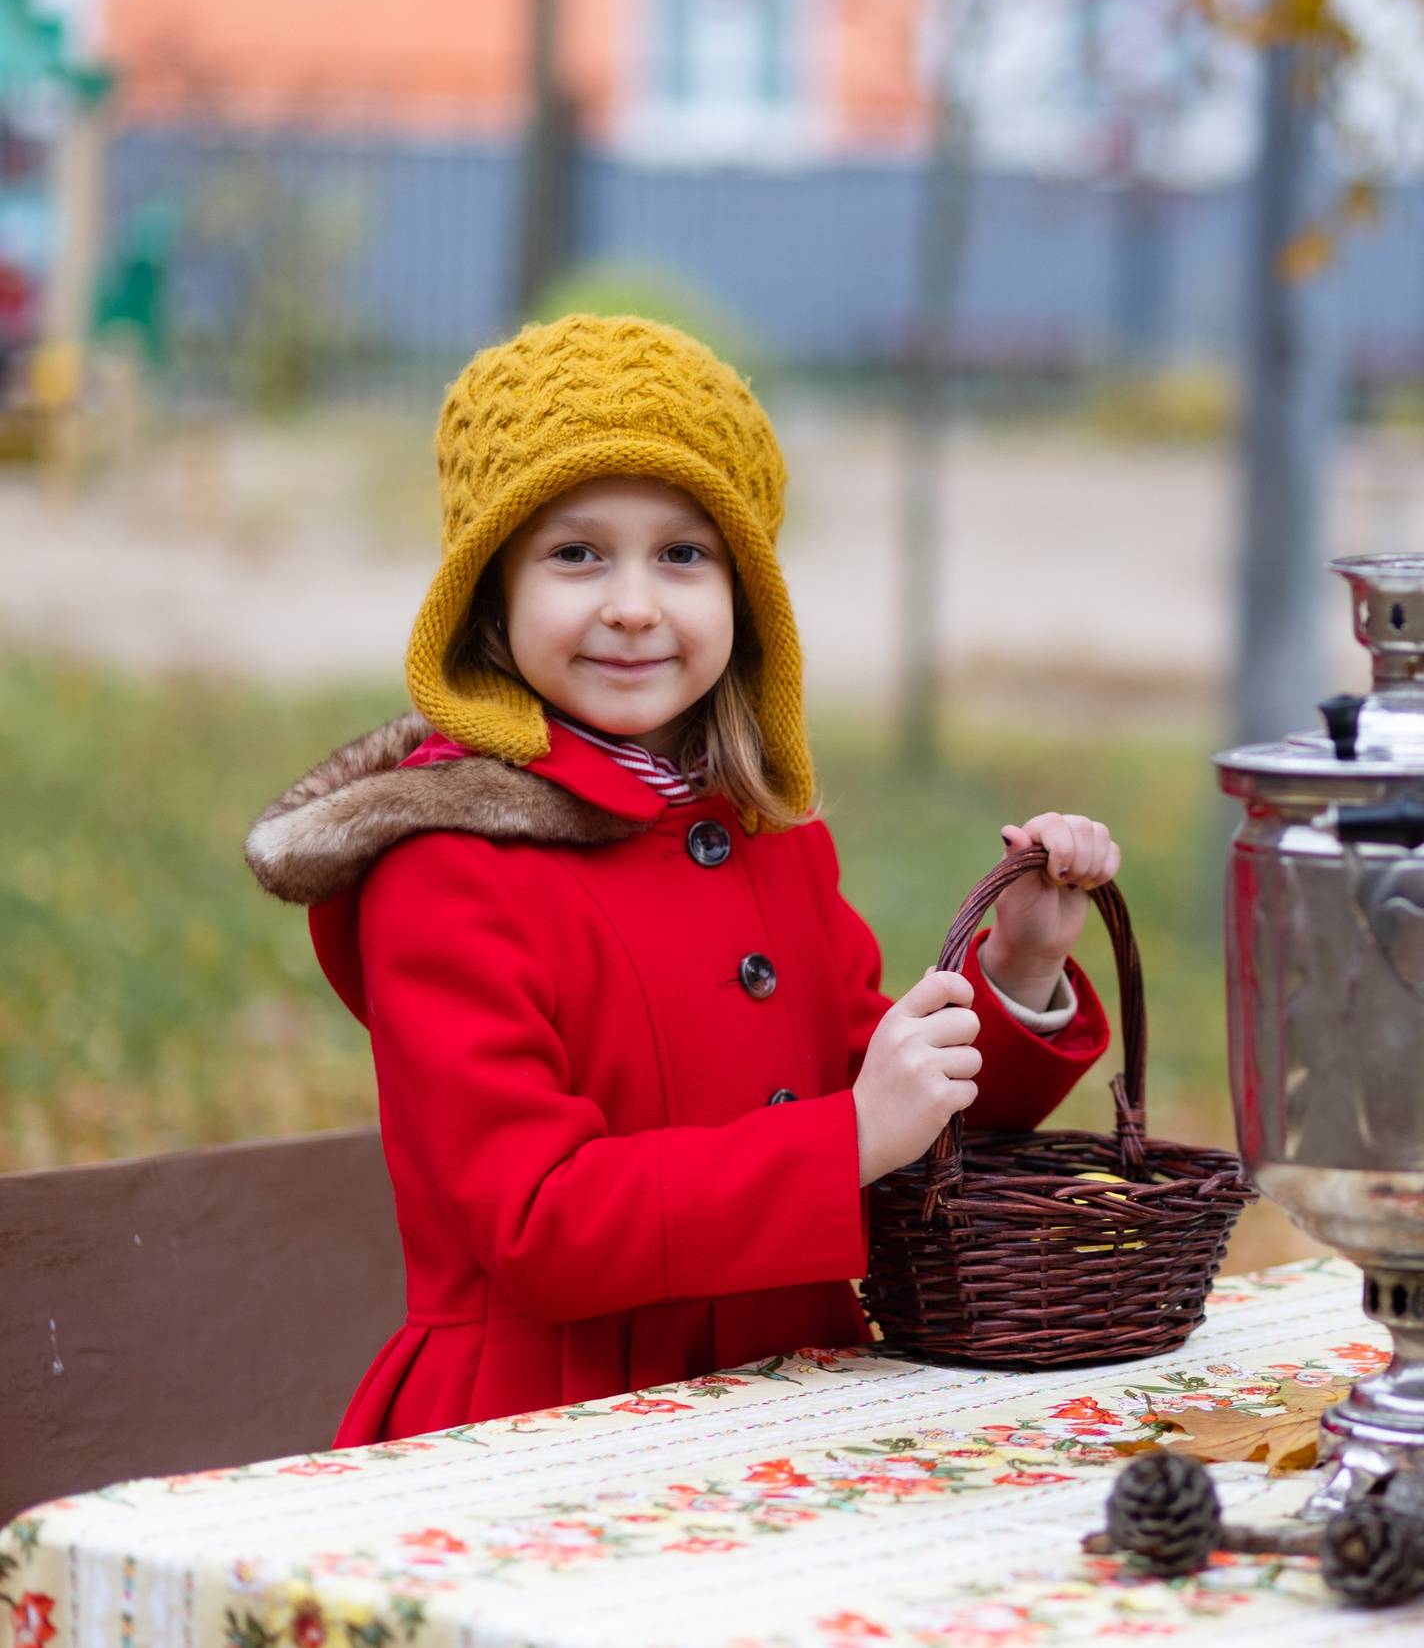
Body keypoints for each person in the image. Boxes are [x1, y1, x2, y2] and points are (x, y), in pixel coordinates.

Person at [244, 315, 1119, 1444]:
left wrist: (1019, 962)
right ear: (489, 594)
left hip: (790, 1406)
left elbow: (897, 1099)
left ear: (746, 592)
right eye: (575, 553)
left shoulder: (765, 832)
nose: (633, 604)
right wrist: (845, 1141)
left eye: (683, 553)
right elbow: (537, 1220)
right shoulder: (448, 866)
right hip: (542, 1430)